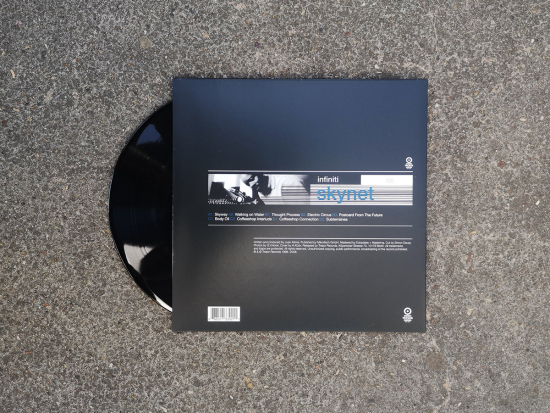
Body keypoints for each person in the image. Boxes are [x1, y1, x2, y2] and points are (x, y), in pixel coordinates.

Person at [240, 174, 309, 205]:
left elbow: (304, 213)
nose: (251, 185)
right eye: (248, 184)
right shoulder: (260, 190)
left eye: (251, 179)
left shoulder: (288, 183)